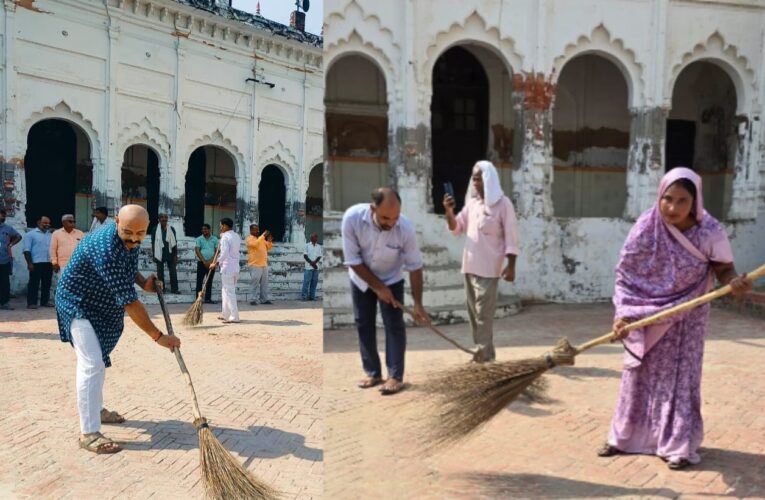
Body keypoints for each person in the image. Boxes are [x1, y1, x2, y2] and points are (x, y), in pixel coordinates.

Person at [598, 167, 752, 470]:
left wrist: (734, 282)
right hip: (644, 315)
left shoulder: (710, 231)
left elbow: (724, 269)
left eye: (682, 201)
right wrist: (623, 314)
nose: (672, 208)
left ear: (694, 202)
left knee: (680, 378)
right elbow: (626, 274)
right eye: (667, 199)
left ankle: (677, 445)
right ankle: (625, 438)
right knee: (638, 376)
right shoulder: (646, 226)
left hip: (688, 316)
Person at [56, 205, 181, 454]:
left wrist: (143, 281)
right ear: (116, 222)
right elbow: (130, 304)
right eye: (128, 232)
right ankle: (89, 432)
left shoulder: (128, 241)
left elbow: (128, 264)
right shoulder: (105, 248)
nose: (134, 239)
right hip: (78, 303)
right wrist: (158, 337)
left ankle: (97, 409)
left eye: (140, 233)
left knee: (97, 361)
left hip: (101, 305)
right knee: (91, 363)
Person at [341, 187, 429, 395]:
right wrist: (378, 287)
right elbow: (353, 260)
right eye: (385, 218)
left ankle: (395, 376)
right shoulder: (352, 219)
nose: (391, 223)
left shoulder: (404, 227)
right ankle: (373, 373)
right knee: (363, 323)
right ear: (373, 209)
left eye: (395, 218)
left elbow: (415, 266)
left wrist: (418, 305)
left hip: (392, 278)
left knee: (394, 325)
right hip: (362, 278)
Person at [443, 160, 519, 362]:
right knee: (473, 314)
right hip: (469, 265)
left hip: (489, 268)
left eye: (478, 178)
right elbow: (456, 228)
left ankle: (484, 355)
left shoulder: (504, 204)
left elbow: (511, 237)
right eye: (473, 178)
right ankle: (482, 352)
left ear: (488, 179)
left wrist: (511, 266)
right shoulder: (473, 204)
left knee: (483, 315)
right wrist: (449, 211)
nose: (475, 182)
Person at [212, 218, 241, 323]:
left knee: (229, 292)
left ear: (225, 226)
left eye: (221, 225)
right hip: (235, 268)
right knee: (225, 291)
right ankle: (226, 314)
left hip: (228, 268)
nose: (220, 227)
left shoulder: (225, 238)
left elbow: (224, 254)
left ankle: (234, 316)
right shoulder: (236, 236)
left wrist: (215, 262)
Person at [23, 215, 53, 309]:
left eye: (48, 223)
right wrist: (29, 263)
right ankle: (31, 302)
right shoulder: (31, 234)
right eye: (45, 223)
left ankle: (44, 301)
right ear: (38, 223)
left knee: (47, 283)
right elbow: (26, 250)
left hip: (48, 262)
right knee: (34, 283)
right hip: (36, 263)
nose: (47, 225)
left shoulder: (50, 235)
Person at [0, 207, 22, 310]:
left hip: (4, 259)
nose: (3, 216)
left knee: (4, 282)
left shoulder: (8, 228)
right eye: (1, 214)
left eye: (4, 214)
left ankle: (4, 303)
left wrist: (11, 244)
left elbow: (18, 236)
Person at [245, 224, 273, 305]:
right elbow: (255, 244)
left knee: (264, 283)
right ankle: (253, 299)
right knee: (255, 283)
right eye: (255, 229)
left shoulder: (261, 239)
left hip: (264, 264)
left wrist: (269, 241)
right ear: (251, 231)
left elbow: (268, 247)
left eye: (257, 229)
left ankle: (264, 299)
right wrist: (263, 236)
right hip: (254, 264)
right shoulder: (249, 238)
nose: (257, 231)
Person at [151, 213, 179, 294]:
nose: (164, 219)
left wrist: (175, 255)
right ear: (159, 219)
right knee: (160, 273)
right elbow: (153, 243)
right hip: (159, 252)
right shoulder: (155, 229)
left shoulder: (172, 229)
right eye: (162, 217)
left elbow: (175, 242)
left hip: (170, 253)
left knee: (173, 271)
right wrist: (154, 254)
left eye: (165, 217)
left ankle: (175, 289)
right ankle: (161, 289)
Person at [194, 223, 219, 304]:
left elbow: (217, 250)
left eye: (205, 229)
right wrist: (204, 261)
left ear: (209, 229)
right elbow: (197, 250)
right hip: (201, 263)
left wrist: (211, 261)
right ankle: (198, 299)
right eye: (203, 229)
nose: (203, 231)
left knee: (209, 281)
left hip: (211, 263)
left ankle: (208, 299)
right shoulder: (199, 239)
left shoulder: (215, 239)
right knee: (199, 281)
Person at [302, 233, 322, 301]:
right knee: (306, 282)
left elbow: (319, 256)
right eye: (314, 237)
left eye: (316, 237)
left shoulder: (319, 246)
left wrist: (314, 263)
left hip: (316, 267)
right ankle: (304, 297)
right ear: (311, 238)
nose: (315, 238)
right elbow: (305, 256)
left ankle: (312, 297)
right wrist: (312, 263)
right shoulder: (307, 245)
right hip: (308, 267)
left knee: (314, 283)